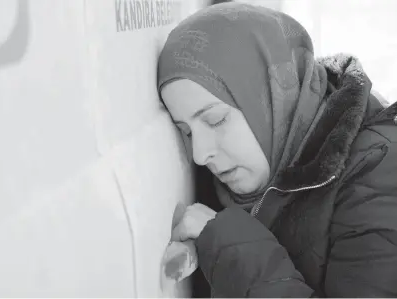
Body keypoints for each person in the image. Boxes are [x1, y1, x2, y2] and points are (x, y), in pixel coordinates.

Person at [157, 2, 397, 297]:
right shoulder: (252, 171)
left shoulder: (379, 173)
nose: (199, 153)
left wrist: (232, 249)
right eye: (187, 131)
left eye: (216, 119)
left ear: (273, 99)